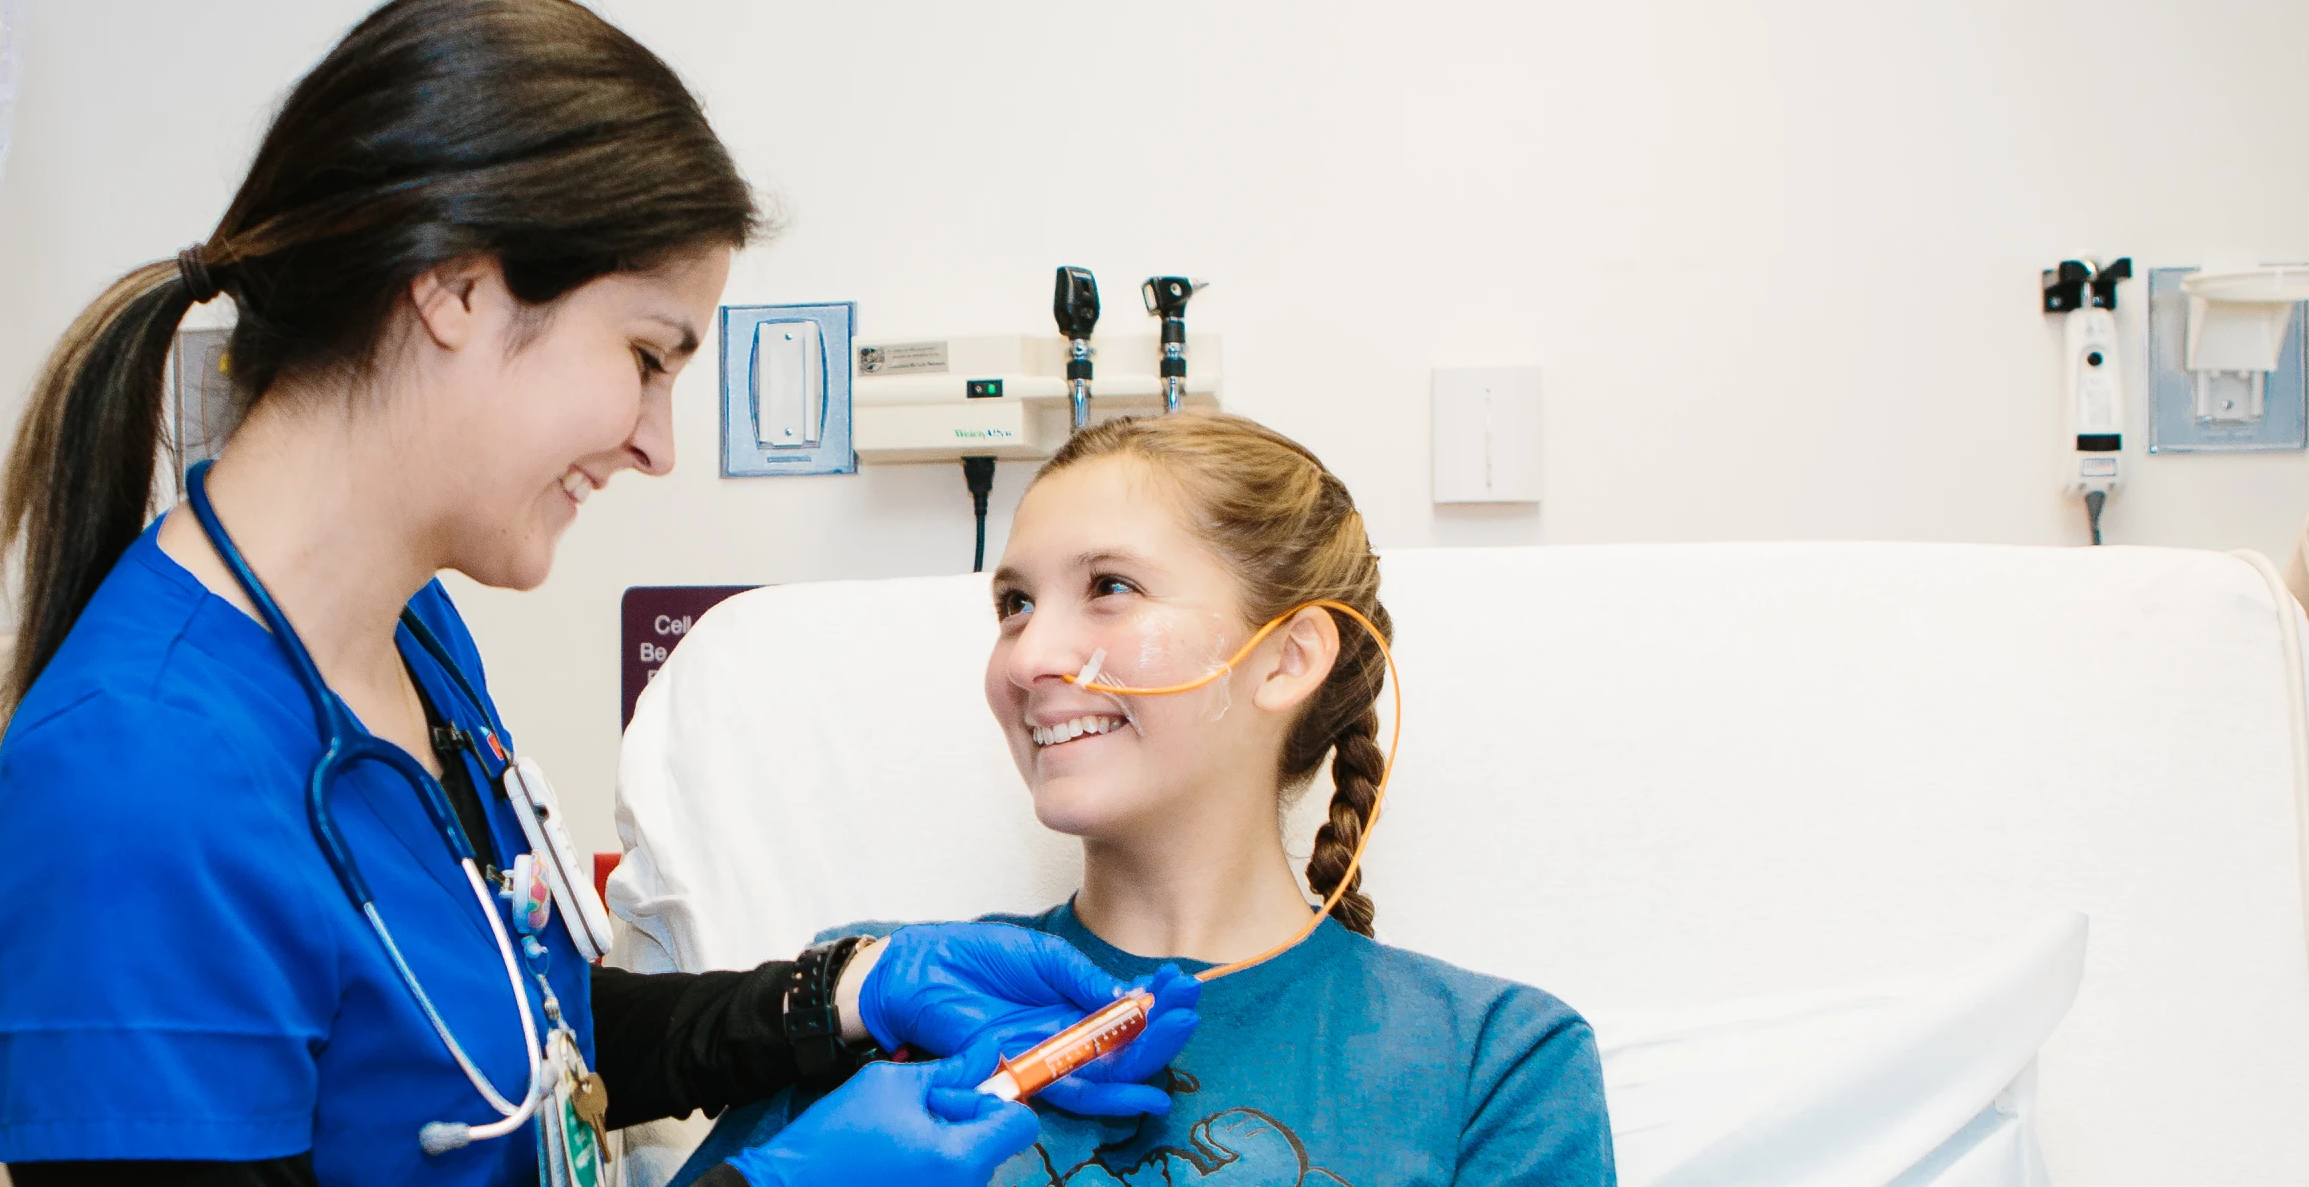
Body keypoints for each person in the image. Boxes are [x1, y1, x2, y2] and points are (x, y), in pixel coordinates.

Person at [0, 0, 1197, 1187]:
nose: (658, 443)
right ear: (456, 286)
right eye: (648, 356)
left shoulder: (411, 638)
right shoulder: (132, 790)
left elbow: (510, 1041)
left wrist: (845, 994)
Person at [678, 413, 1618, 1185]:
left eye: (1110, 588)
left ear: (1286, 659)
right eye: (1013, 604)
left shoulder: (1493, 1062)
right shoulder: (883, 997)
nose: (1027, 656)